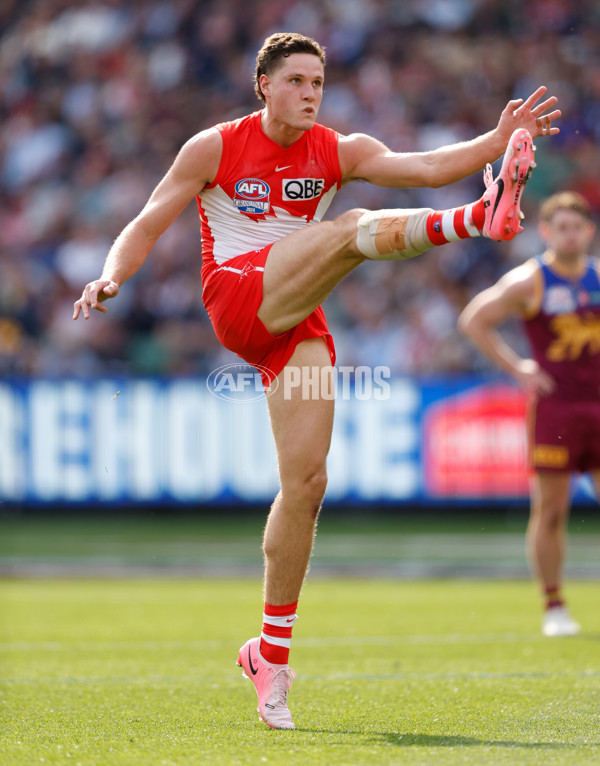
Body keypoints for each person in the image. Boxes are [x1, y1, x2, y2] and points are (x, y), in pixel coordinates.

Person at [73, 32, 560, 728]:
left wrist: (496, 138)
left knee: (305, 486)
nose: (309, 94)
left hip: (294, 323)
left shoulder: (336, 148)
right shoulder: (214, 146)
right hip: (239, 300)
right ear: (262, 85)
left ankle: (269, 658)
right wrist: (110, 275)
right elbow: (149, 221)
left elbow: (422, 165)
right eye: (296, 80)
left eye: (318, 83)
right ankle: (478, 217)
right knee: (351, 226)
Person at [459, 191, 597, 638]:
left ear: (589, 231)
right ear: (547, 233)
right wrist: (517, 367)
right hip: (556, 409)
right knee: (552, 510)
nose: (571, 235)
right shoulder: (530, 281)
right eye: (562, 228)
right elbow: (474, 319)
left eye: (578, 227)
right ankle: (554, 605)